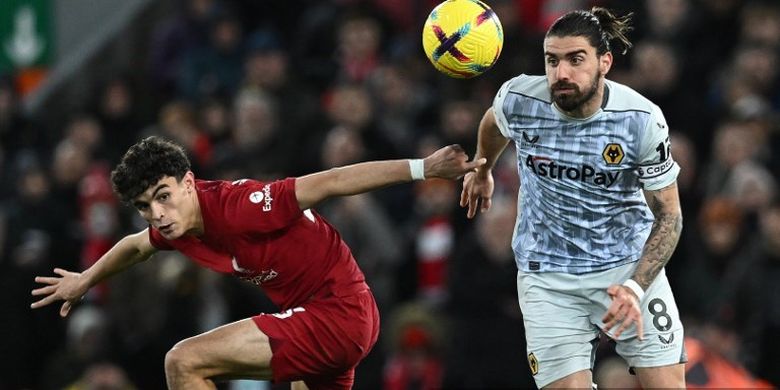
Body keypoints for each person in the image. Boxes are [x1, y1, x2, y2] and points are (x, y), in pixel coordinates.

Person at [31, 136, 484, 389]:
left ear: (189, 182)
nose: (157, 215)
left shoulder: (241, 204)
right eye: (145, 206)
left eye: (163, 197)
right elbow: (135, 246)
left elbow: (332, 181)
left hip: (335, 314)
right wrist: (85, 279)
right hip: (332, 323)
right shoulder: (177, 226)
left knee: (183, 362)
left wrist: (423, 168)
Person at [460, 7, 687, 389]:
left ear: (605, 62)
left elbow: (670, 216)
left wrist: (635, 286)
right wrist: (482, 169)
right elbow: (492, 124)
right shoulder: (519, 99)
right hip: (547, 276)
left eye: (575, 59)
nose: (561, 73)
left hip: (626, 268)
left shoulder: (641, 120)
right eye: (552, 60)